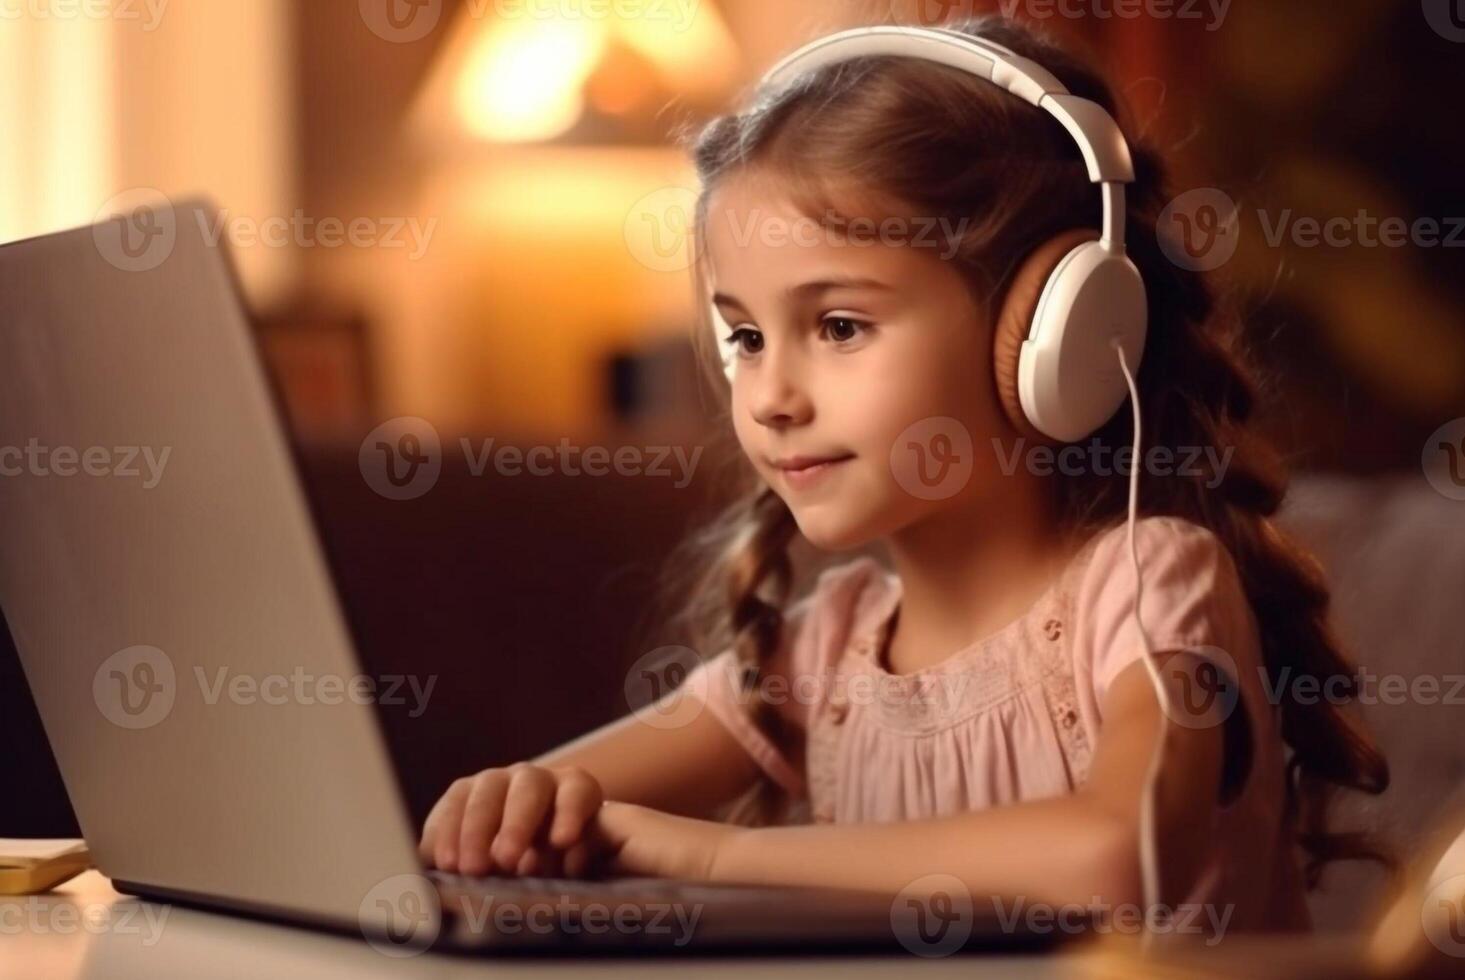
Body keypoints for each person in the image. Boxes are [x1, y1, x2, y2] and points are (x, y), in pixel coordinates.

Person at [419, 14, 1395, 938]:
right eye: (746, 337)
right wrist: (498, 806)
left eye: (840, 325)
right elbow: (530, 806)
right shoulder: (822, 653)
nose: (770, 396)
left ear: (1056, 335)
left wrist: (713, 855)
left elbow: (1114, 853)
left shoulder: (1148, 585)